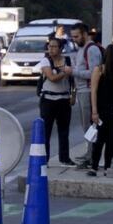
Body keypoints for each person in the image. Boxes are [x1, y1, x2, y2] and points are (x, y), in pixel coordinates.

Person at [69, 22, 102, 168]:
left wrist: (73, 72)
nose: (74, 39)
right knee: (86, 126)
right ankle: (89, 152)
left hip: (89, 91)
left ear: (84, 34)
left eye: (76, 36)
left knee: (90, 126)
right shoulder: (82, 49)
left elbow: (94, 73)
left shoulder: (91, 49)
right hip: (82, 91)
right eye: (72, 37)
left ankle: (92, 155)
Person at [38, 35, 74, 166]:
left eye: (54, 46)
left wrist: (73, 95)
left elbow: (72, 80)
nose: (51, 49)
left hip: (64, 99)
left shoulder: (68, 60)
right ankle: (44, 158)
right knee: (46, 131)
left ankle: (65, 158)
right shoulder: (45, 61)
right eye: (50, 46)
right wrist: (65, 72)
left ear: (61, 49)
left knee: (64, 131)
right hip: (48, 99)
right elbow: (52, 77)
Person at [88, 44, 113, 176]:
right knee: (110, 139)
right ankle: (107, 166)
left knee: (99, 139)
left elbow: (93, 91)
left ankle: (94, 166)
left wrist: (94, 111)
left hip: (101, 107)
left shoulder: (99, 69)